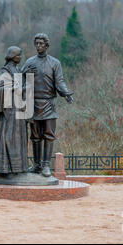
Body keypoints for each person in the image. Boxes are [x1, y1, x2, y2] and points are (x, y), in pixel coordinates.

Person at [22, 33, 74, 177]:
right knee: (35, 136)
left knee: (49, 136)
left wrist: (66, 94)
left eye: (41, 43)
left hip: (49, 104)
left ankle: (46, 165)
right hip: (33, 104)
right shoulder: (29, 62)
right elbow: (19, 81)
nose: (38, 46)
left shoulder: (54, 63)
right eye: (36, 43)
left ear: (47, 45)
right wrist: (24, 73)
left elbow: (59, 81)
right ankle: (37, 164)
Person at [0, 46, 29, 177]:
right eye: (18, 55)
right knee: (7, 137)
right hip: (9, 110)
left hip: (18, 108)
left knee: (19, 138)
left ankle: (18, 168)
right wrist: (15, 87)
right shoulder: (5, 71)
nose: (20, 57)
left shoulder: (18, 70)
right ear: (13, 56)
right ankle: (5, 169)